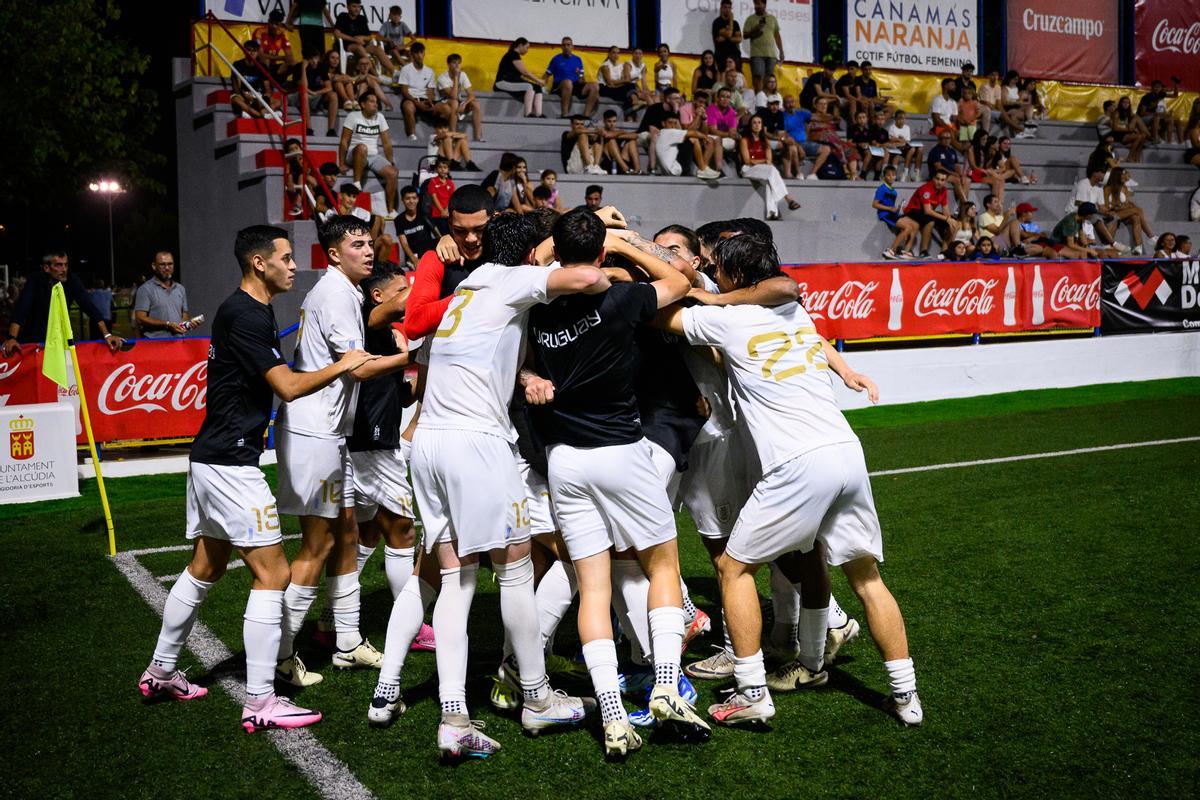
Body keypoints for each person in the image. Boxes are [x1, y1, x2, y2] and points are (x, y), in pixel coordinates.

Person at [657, 234, 922, 728]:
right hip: (846, 450)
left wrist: (661, 269)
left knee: (734, 570)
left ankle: (751, 690)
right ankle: (905, 696)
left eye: (719, 268)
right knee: (866, 578)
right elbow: (798, 310)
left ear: (735, 277)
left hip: (797, 464)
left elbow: (656, 313)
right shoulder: (794, 311)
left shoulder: (726, 318)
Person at [135, 224, 376, 732]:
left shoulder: (254, 310)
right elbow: (287, 386)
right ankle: (262, 700)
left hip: (212, 459)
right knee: (275, 574)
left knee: (205, 565)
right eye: (286, 258)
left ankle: (161, 669)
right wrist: (344, 364)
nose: (294, 265)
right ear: (259, 264)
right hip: (229, 465)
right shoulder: (245, 314)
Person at [410, 212, 602, 758]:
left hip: (430, 443)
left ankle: (454, 717)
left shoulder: (469, 286)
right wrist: (604, 236)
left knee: (455, 579)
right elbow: (589, 277)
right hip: (477, 444)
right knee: (516, 572)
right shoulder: (510, 278)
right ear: (527, 254)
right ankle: (537, 698)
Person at [523, 210, 709, 756]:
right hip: (622, 452)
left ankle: (610, 713)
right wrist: (626, 245)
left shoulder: (539, 304)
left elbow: (537, 271)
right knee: (662, 567)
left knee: (593, 584)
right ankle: (668, 689)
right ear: (600, 255)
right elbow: (681, 282)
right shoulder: (620, 300)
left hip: (564, 461)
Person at [272, 215, 409, 688]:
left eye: (369, 243)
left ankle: (347, 642)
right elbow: (359, 369)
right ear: (333, 254)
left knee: (347, 533)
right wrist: (413, 357)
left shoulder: (342, 292)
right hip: (314, 435)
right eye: (356, 245)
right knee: (319, 544)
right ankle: (282, 655)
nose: (368, 252)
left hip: (330, 435)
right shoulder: (334, 295)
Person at [4, 252, 124, 354]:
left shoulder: (72, 280)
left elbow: (89, 307)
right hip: (34, 341)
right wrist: (12, 338)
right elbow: (21, 310)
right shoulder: (35, 280)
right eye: (59, 265)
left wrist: (107, 335)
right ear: (46, 268)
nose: (64, 269)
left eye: (66, 265)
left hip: (61, 342)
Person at [338, 91, 399, 219]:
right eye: (371, 102)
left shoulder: (380, 117)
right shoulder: (353, 117)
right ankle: (357, 183)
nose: (375, 105)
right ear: (363, 104)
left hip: (373, 156)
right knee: (362, 147)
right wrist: (341, 163)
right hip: (355, 154)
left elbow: (387, 143)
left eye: (376, 102)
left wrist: (390, 162)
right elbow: (344, 141)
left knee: (393, 173)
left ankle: (391, 210)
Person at [741, 115, 800, 219]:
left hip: (764, 170)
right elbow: (747, 161)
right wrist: (762, 161)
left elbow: (769, 161)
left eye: (759, 122)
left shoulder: (765, 141)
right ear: (750, 125)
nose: (757, 125)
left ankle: (772, 213)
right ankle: (788, 198)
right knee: (772, 170)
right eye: (754, 122)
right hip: (748, 169)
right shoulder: (744, 140)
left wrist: (759, 161)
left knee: (770, 181)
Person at [397, 42, 450, 140]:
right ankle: (411, 136)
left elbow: (430, 91)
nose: (419, 55)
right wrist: (417, 103)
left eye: (421, 52)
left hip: (425, 100)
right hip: (411, 99)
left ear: (424, 54)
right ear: (412, 55)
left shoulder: (430, 71)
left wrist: (430, 101)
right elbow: (404, 91)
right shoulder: (405, 69)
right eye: (416, 53)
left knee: (446, 108)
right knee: (408, 106)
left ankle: (444, 135)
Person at [1067, 168, 1126, 254]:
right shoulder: (1083, 184)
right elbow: (1080, 204)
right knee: (1096, 218)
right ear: (1095, 173)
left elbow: (1102, 206)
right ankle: (1113, 243)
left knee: (1114, 217)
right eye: (1102, 173)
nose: (1104, 175)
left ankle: (1108, 245)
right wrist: (1097, 210)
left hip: (1090, 214)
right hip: (1078, 213)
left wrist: (1109, 212)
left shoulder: (1099, 188)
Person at [901, 170, 959, 257]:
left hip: (927, 213)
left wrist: (950, 221)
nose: (939, 182)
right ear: (933, 179)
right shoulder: (926, 189)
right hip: (913, 211)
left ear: (945, 181)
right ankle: (923, 251)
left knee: (954, 223)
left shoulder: (944, 191)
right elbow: (927, 211)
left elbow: (945, 210)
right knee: (930, 220)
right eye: (937, 179)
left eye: (942, 180)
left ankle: (944, 252)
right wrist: (947, 219)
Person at [332, 0, 397, 78]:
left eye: (359, 7)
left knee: (378, 49)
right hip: (347, 45)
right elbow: (337, 33)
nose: (357, 9)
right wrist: (354, 39)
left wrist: (362, 37)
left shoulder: (362, 19)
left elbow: (369, 37)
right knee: (359, 47)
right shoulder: (342, 16)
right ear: (348, 7)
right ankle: (376, 75)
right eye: (354, 6)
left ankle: (394, 73)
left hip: (362, 45)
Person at [134, 251, 189, 338]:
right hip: (155, 344)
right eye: (162, 264)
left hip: (178, 343)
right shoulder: (145, 289)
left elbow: (184, 314)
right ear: (154, 266)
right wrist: (167, 324)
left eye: (170, 264)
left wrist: (187, 325)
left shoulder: (180, 288)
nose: (167, 268)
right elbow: (140, 318)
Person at [656, 113, 721, 179]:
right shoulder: (668, 132)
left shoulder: (661, 134)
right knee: (694, 139)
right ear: (663, 123)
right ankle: (703, 169)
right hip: (675, 171)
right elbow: (693, 132)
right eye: (670, 123)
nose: (673, 126)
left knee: (687, 141)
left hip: (668, 172)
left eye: (675, 123)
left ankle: (704, 169)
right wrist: (705, 138)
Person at [1104, 168, 1152, 256]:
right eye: (1122, 174)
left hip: (1122, 213)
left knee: (1136, 217)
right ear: (1116, 175)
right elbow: (1106, 206)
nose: (1124, 176)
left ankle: (1138, 247)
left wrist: (1122, 206)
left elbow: (1126, 204)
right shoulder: (1107, 188)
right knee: (1138, 210)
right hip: (1111, 213)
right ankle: (1151, 236)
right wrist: (1117, 207)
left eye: (1125, 174)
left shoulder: (1125, 188)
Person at [231, 40, 282, 120]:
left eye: (254, 51)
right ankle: (261, 115)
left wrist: (264, 98)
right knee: (236, 99)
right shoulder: (237, 65)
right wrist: (247, 96)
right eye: (249, 50)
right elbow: (237, 89)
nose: (251, 53)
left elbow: (268, 89)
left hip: (258, 94)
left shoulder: (262, 66)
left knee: (278, 102)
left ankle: (262, 112)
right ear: (244, 51)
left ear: (257, 52)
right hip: (244, 94)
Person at [494, 38, 545, 118]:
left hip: (511, 81)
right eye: (527, 47)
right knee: (529, 86)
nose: (527, 50)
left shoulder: (515, 55)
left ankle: (539, 114)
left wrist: (537, 83)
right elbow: (524, 72)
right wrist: (538, 80)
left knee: (537, 87)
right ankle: (528, 114)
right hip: (501, 82)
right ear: (520, 45)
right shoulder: (513, 54)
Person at [638, 87, 682, 174]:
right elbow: (652, 130)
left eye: (679, 98)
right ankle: (652, 168)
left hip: (662, 136)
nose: (679, 101)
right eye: (676, 98)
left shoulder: (676, 112)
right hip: (644, 135)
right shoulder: (654, 108)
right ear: (667, 99)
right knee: (655, 137)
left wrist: (676, 113)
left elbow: (679, 132)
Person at [395, 185, 440, 269]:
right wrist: (414, 259)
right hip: (413, 256)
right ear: (402, 200)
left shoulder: (425, 215)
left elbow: (438, 234)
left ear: (418, 199)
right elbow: (404, 243)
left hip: (428, 253)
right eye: (408, 198)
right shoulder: (399, 220)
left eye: (414, 198)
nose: (411, 201)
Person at [744, 0, 783, 93]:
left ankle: (767, 100)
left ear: (764, 4)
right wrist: (757, 28)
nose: (756, 6)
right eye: (755, 4)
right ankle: (759, 99)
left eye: (759, 3)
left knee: (768, 79)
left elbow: (777, 36)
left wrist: (781, 51)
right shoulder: (750, 19)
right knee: (758, 77)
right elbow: (745, 35)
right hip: (757, 54)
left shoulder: (772, 18)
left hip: (771, 55)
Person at [300, 48, 339, 137]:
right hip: (300, 95)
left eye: (316, 58)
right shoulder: (300, 67)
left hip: (315, 95)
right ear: (306, 60)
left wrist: (316, 93)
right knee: (304, 94)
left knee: (333, 95)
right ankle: (308, 129)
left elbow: (329, 87)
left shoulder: (321, 67)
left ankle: (331, 130)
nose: (314, 61)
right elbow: (303, 86)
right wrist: (303, 68)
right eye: (311, 59)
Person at [876, 166, 913, 259]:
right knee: (907, 228)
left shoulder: (893, 190)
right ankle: (891, 250)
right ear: (884, 176)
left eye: (893, 175)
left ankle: (902, 251)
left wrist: (898, 209)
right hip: (885, 214)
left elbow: (890, 204)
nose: (891, 177)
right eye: (888, 175)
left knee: (912, 225)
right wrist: (889, 209)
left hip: (892, 213)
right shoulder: (882, 189)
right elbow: (875, 204)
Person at [252, 10, 296, 85]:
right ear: (268, 21)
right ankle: (268, 84)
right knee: (266, 61)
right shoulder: (259, 32)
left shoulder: (282, 35)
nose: (274, 26)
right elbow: (260, 55)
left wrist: (286, 62)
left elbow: (289, 56)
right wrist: (282, 58)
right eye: (272, 23)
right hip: (259, 65)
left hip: (274, 68)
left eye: (276, 24)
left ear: (280, 25)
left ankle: (294, 86)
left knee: (294, 63)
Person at [286, 0, 334, 67]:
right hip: (305, 27)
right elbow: (294, 6)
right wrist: (287, 22)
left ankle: (319, 74)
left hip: (318, 27)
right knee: (307, 53)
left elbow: (324, 10)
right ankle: (306, 73)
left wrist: (332, 25)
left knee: (321, 52)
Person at [706, 87, 741, 175]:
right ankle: (719, 169)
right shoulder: (711, 109)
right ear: (717, 98)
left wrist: (730, 134)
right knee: (717, 139)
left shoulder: (732, 112)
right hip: (711, 137)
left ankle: (741, 170)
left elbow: (732, 131)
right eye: (722, 96)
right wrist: (727, 134)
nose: (725, 99)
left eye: (728, 97)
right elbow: (712, 130)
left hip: (726, 138)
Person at [926, 128, 968, 203]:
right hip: (938, 175)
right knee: (956, 179)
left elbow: (957, 165)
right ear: (939, 139)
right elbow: (938, 168)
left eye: (948, 138)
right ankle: (965, 203)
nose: (946, 140)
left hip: (951, 175)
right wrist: (953, 173)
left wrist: (961, 175)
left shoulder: (952, 151)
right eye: (944, 138)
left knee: (966, 180)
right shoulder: (935, 151)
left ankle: (961, 206)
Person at [1137, 79, 1183, 145]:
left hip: (1153, 116)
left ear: (1161, 88)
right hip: (1142, 118)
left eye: (1159, 87)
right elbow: (1142, 113)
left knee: (1171, 119)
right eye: (1155, 87)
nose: (1157, 88)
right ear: (1152, 87)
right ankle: (1155, 138)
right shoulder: (1146, 97)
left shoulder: (1160, 95)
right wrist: (1156, 114)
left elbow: (1175, 95)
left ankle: (1169, 142)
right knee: (1157, 117)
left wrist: (1176, 85)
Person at [597, 46, 638, 118]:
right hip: (605, 88)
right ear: (609, 54)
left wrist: (622, 82)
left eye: (618, 53)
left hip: (615, 87)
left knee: (631, 85)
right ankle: (634, 102)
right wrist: (624, 81)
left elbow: (622, 81)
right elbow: (609, 83)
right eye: (614, 53)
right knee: (628, 88)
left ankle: (630, 111)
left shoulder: (620, 66)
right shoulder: (605, 66)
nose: (616, 55)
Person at [597, 109, 641, 174]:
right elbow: (607, 135)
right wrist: (621, 132)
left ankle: (637, 170)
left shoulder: (617, 132)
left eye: (614, 121)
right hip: (607, 164)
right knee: (611, 140)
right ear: (604, 121)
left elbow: (635, 136)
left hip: (619, 162)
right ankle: (625, 168)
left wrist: (617, 134)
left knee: (632, 142)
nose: (612, 124)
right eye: (609, 121)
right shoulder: (600, 130)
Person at [885, 109, 921, 182]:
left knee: (915, 149)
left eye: (903, 118)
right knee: (902, 152)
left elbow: (906, 141)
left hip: (904, 147)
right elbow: (891, 140)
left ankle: (906, 172)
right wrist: (900, 140)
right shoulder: (892, 127)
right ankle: (895, 174)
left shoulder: (907, 127)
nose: (901, 120)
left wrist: (897, 139)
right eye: (899, 118)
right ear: (895, 119)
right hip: (896, 148)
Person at [378, 5, 415, 75]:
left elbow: (414, 39)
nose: (396, 17)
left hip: (400, 48)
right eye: (394, 15)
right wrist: (387, 39)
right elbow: (378, 37)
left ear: (400, 17)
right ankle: (407, 68)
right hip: (389, 49)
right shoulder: (386, 25)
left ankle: (410, 68)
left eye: (398, 15)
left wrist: (403, 46)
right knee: (394, 50)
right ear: (390, 16)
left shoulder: (403, 25)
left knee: (411, 53)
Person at [1111, 96, 1148, 163]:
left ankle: (1137, 156)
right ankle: (1130, 157)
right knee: (1139, 136)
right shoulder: (1116, 113)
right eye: (1124, 102)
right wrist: (1128, 130)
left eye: (1128, 103)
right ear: (1120, 103)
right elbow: (1115, 128)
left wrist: (1133, 129)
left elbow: (1132, 123)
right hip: (1119, 134)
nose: (1126, 104)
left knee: (1143, 135)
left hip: (1127, 132)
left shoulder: (1129, 113)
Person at [712, 0, 743, 71]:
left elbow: (739, 39)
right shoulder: (717, 22)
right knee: (723, 77)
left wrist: (725, 37)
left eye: (729, 8)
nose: (727, 10)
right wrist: (731, 19)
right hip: (722, 55)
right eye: (725, 7)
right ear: (721, 8)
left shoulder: (736, 23)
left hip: (735, 55)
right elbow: (729, 35)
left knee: (737, 76)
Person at [427, 157, 455, 234]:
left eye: (445, 167)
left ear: (448, 170)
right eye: (440, 167)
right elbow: (434, 197)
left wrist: (446, 211)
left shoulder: (450, 183)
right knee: (443, 235)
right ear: (436, 169)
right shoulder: (433, 182)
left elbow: (452, 198)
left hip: (448, 213)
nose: (442, 169)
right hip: (437, 214)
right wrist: (442, 211)